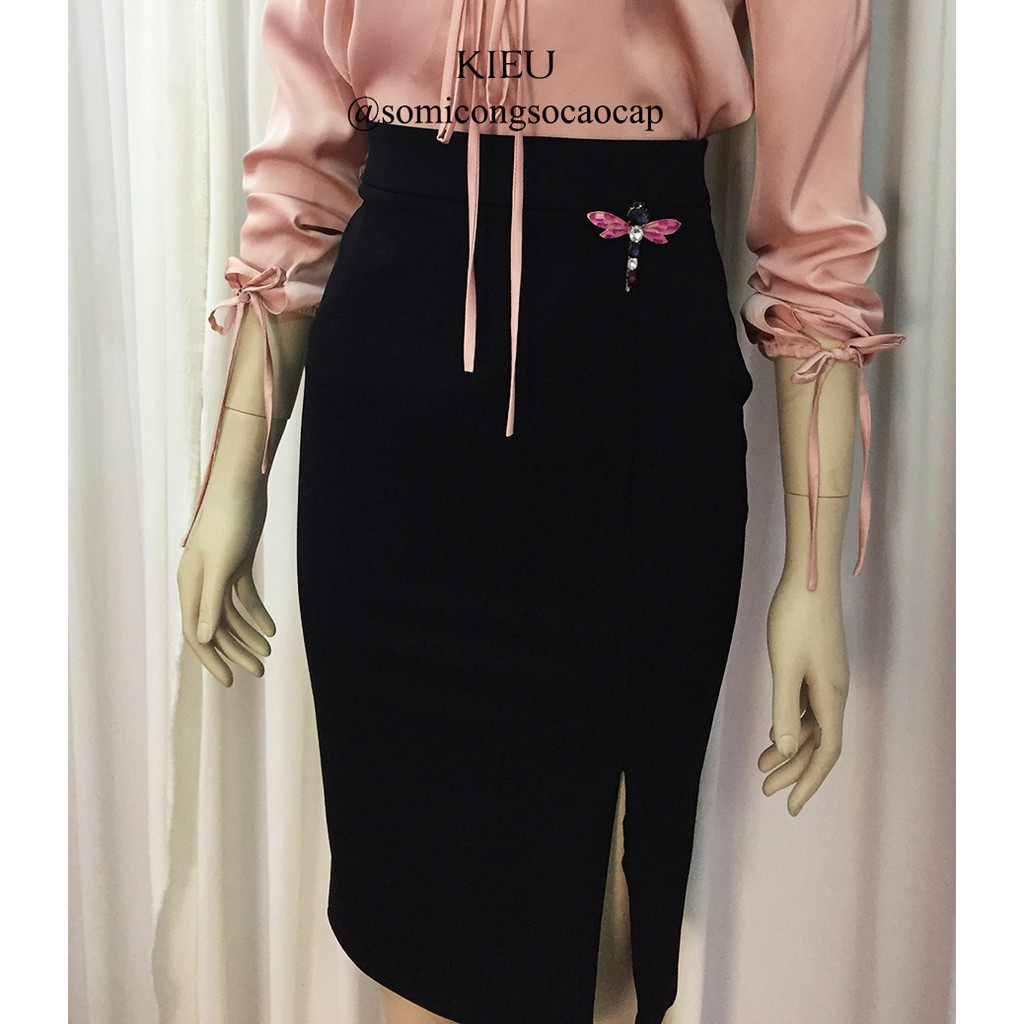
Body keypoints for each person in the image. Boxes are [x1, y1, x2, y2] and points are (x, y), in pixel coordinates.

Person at [176, 2, 905, 1022]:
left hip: (628, 414)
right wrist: (231, 481)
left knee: (588, 941)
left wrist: (814, 576)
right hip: (388, 442)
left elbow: (814, 242)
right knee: (417, 926)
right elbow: (302, 182)